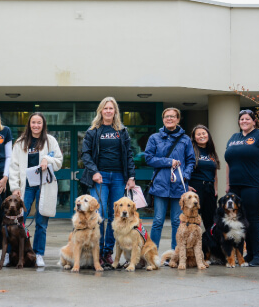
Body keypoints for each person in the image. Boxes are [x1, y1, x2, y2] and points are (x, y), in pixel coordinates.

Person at [79, 98, 135, 266]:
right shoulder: (93, 131)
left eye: (111, 108)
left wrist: (131, 176)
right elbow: (86, 154)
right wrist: (94, 172)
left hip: (119, 176)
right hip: (100, 176)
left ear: (115, 111)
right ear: (101, 111)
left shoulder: (122, 131)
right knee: (99, 213)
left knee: (115, 215)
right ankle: (97, 251)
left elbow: (129, 155)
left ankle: (107, 252)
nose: (109, 111)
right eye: (106, 108)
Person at [225, 109, 259, 267]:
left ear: (254, 121)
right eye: (241, 119)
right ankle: (247, 254)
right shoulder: (234, 138)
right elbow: (229, 162)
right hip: (236, 185)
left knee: (252, 218)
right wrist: (228, 183)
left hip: (254, 184)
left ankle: (258, 256)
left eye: (247, 119)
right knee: (240, 220)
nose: (244, 121)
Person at [10, 112, 63, 267]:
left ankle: (38, 254)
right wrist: (15, 187)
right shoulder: (20, 142)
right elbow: (13, 167)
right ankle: (13, 253)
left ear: (43, 124)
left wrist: (48, 159)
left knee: (41, 221)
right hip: (25, 186)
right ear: (29, 124)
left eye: (39, 123)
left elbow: (59, 161)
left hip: (44, 185)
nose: (36, 125)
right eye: (33, 122)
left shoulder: (50, 141)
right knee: (18, 219)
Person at [145, 107, 195, 250]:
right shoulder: (154, 138)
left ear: (178, 119)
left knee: (176, 221)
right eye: (166, 116)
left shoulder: (185, 139)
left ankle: (175, 253)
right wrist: (168, 162)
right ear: (163, 119)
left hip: (179, 186)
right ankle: (152, 253)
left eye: (173, 116)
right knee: (158, 221)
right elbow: (148, 159)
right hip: (160, 184)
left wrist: (185, 176)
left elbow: (191, 160)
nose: (169, 119)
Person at [188, 125, 220, 232]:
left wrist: (215, 188)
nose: (202, 136)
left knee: (211, 221)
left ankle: (210, 247)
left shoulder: (211, 151)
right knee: (193, 222)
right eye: (198, 134)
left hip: (209, 188)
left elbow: (215, 172)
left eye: (204, 133)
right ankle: (192, 247)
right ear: (194, 137)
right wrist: (186, 186)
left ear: (208, 135)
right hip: (195, 189)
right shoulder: (190, 151)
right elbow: (184, 169)